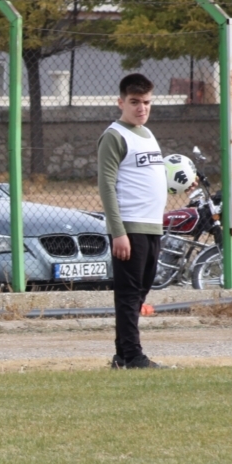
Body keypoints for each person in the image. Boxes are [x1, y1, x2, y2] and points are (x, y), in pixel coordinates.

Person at [98, 73, 168, 369]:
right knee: (128, 295)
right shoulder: (114, 136)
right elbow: (106, 186)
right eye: (135, 102)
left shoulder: (147, 133)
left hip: (152, 227)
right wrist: (118, 232)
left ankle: (122, 356)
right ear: (121, 102)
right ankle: (135, 356)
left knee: (140, 292)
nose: (142, 108)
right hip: (130, 227)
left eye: (147, 102)